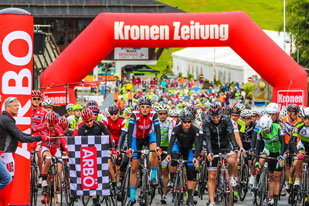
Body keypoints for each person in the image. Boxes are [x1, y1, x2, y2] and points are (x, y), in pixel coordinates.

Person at [0, 97, 49, 205]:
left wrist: (38, 136)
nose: (18, 108)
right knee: (7, 180)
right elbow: (20, 137)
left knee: (8, 182)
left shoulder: (7, 118)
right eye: (15, 105)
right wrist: (40, 138)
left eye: (18, 105)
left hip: (6, 155)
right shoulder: (6, 119)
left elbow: (19, 134)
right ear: (7, 106)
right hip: (3, 155)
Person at [126, 96, 162, 206]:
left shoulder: (154, 114)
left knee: (155, 151)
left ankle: (153, 176)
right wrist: (129, 148)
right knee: (134, 168)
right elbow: (130, 130)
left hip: (148, 136)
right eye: (142, 107)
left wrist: (159, 146)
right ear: (139, 107)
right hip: (136, 139)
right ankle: (132, 197)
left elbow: (157, 131)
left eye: (147, 107)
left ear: (150, 107)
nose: (145, 109)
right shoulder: (135, 114)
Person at [203, 103, 239, 206]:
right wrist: (209, 152)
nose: (216, 119)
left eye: (218, 117)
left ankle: (231, 177)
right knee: (212, 176)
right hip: (213, 148)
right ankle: (212, 201)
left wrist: (236, 148)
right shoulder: (206, 122)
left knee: (232, 160)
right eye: (213, 118)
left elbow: (231, 134)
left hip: (225, 146)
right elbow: (208, 138)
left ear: (221, 115)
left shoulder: (226, 119)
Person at [76, 108, 113, 206]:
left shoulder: (99, 124)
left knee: (108, 167)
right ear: (83, 121)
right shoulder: (81, 128)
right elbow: (79, 144)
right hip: (89, 154)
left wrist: (113, 148)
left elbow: (109, 136)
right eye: (86, 121)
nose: (89, 123)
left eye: (90, 120)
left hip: (101, 151)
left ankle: (114, 183)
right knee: (92, 175)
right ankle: (94, 198)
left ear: (93, 117)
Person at [165, 109, 200, 206]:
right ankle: (172, 180)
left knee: (190, 170)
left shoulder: (195, 130)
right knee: (174, 158)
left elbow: (197, 145)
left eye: (189, 122)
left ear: (191, 121)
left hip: (187, 149)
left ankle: (190, 198)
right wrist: (168, 154)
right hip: (177, 146)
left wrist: (195, 157)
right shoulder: (176, 129)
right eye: (184, 122)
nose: (186, 124)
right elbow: (171, 142)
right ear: (181, 121)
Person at [32, 111, 68, 204]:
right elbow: (31, 131)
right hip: (45, 147)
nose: (52, 127)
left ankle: (58, 190)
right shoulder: (42, 126)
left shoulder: (57, 128)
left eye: (54, 125)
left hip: (55, 149)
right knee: (47, 158)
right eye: (50, 125)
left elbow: (63, 139)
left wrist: (67, 150)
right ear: (46, 121)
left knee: (58, 170)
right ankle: (43, 179)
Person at [254, 115, 286, 206]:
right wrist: (256, 161)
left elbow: (283, 142)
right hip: (268, 150)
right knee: (270, 175)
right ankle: (258, 182)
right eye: (264, 130)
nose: (265, 132)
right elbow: (258, 147)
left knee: (277, 177)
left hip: (279, 151)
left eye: (267, 130)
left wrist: (281, 155)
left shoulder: (278, 128)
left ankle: (275, 201)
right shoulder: (261, 131)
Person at [156, 104, 175, 204]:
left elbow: (170, 137)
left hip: (167, 147)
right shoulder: (155, 121)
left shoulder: (171, 121)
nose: (162, 115)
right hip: (157, 146)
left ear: (167, 114)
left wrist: (169, 152)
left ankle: (164, 194)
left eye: (164, 113)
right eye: (160, 114)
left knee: (166, 171)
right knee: (157, 167)